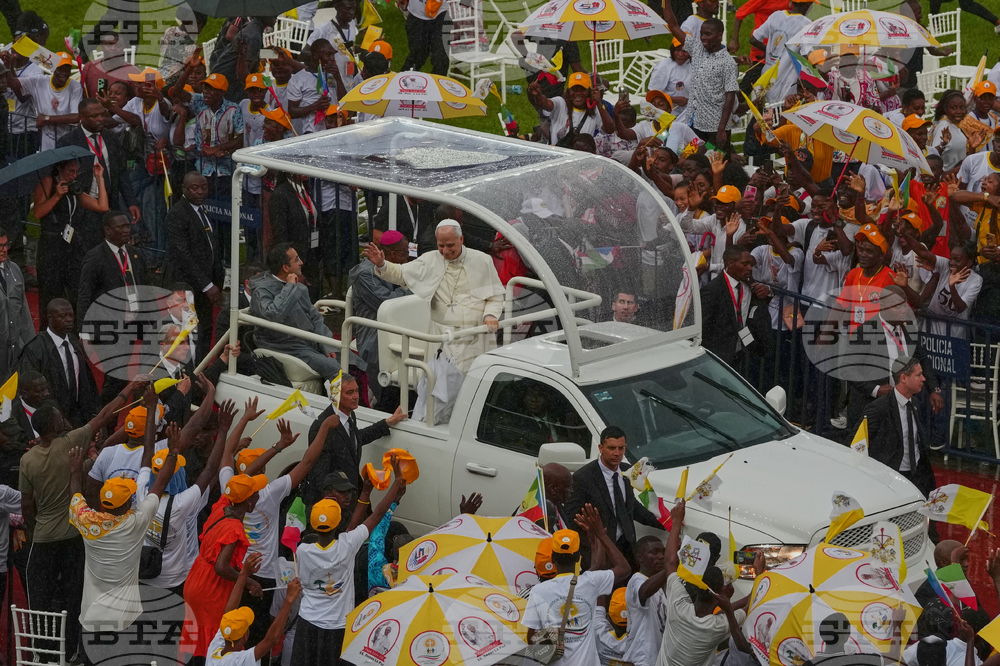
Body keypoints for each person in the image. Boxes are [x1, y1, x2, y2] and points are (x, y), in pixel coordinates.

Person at [20, 376, 147, 662]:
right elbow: (105, 415)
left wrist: (34, 530)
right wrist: (130, 388)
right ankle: (72, 653)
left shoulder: (28, 460)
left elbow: (27, 506)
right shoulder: (73, 441)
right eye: (59, 418)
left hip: (43, 540)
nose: (63, 419)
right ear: (54, 426)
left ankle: (43, 654)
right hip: (74, 539)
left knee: (39, 602)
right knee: (73, 598)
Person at [68, 388, 183, 634]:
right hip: (126, 622)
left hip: (91, 620)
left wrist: (75, 472)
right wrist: (173, 452)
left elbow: (76, 496)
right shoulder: (135, 521)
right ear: (127, 502)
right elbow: (156, 476)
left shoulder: (87, 521)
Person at [292, 462, 406, 662]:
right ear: (338, 523)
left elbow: (352, 529)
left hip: (307, 624)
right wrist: (396, 482)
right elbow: (378, 514)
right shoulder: (347, 545)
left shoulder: (302, 551)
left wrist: (365, 494)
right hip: (336, 629)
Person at [362, 219, 506, 374]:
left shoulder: (482, 260)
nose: (445, 251)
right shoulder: (430, 259)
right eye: (441, 246)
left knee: (472, 385)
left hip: (474, 335)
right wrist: (382, 264)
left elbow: (495, 296)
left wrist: (490, 315)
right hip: (441, 336)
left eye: (450, 245)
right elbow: (401, 273)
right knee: (438, 388)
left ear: (461, 239)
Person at [140, 381, 223, 596]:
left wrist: (151, 410)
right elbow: (210, 471)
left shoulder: (141, 494)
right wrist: (225, 430)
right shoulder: (183, 504)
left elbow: (148, 449)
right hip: (175, 581)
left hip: (143, 573)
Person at [522, 506, 631, 666]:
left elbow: (532, 638)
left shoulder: (538, 592)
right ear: (578, 557)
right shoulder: (590, 582)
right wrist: (600, 535)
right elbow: (624, 568)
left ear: (553, 558)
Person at [658, 500, 755, 666]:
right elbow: (747, 605)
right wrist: (761, 575)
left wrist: (676, 523)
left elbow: (669, 563)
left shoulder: (678, 604)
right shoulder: (718, 627)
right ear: (721, 595)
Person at [182, 471, 266, 663]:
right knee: (217, 640)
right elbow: (221, 567)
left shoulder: (222, 506)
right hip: (211, 588)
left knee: (196, 638)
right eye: (256, 493)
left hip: (196, 580)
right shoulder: (234, 528)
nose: (259, 496)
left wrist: (277, 448)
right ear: (250, 501)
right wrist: (248, 580)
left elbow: (242, 480)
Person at [565, 426, 665, 565]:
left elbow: (631, 507)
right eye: (611, 448)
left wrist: (664, 522)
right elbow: (572, 518)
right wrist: (592, 549)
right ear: (601, 448)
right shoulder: (583, 478)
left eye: (621, 448)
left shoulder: (627, 471)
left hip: (627, 548)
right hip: (600, 553)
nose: (617, 453)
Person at [304, 373, 406, 501]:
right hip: (333, 504)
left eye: (357, 391)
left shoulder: (350, 415)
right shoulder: (322, 426)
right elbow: (319, 475)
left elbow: (355, 439)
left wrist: (387, 423)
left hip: (349, 497)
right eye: (349, 393)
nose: (355, 396)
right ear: (336, 397)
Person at [32, 158, 108, 324]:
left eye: (76, 172)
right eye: (70, 171)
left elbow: (102, 206)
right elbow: (37, 212)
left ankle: (72, 332)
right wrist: (57, 196)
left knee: (74, 291)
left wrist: (99, 178)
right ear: (60, 169)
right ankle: (48, 334)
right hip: (50, 245)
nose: (74, 175)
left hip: (70, 245)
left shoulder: (75, 188)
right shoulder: (48, 182)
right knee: (51, 293)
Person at [250, 243, 341, 379]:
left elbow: (315, 317)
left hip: (307, 341)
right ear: (285, 268)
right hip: (284, 345)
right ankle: (341, 399)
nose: (301, 263)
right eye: (297, 259)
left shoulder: (299, 287)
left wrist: (328, 345)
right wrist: (289, 287)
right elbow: (274, 315)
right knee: (335, 368)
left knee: (350, 359)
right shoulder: (261, 291)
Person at [58, 98, 141, 244]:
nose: (100, 119)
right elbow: (62, 175)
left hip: (109, 202)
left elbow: (121, 172)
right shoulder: (68, 141)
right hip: (82, 204)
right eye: (94, 116)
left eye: (102, 114)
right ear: (82, 118)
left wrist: (131, 202)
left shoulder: (111, 137)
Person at [164, 172, 225, 362]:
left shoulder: (201, 210)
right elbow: (183, 255)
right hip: (187, 285)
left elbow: (210, 247)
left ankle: (201, 369)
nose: (200, 192)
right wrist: (206, 284)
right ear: (183, 189)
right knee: (189, 332)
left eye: (204, 187)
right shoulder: (178, 214)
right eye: (194, 188)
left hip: (205, 284)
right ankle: (190, 372)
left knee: (205, 329)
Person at [661, 7, 738, 148]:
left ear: (719, 35)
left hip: (716, 127)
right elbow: (673, 26)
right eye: (702, 34)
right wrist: (666, 3)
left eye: (708, 34)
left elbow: (730, 98)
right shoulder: (697, 48)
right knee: (695, 160)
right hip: (695, 124)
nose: (703, 37)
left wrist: (721, 129)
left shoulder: (728, 63)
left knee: (717, 161)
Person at [349, 229, 411, 403]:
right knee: (390, 395)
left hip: (400, 327)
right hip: (375, 335)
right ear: (391, 254)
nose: (407, 259)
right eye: (404, 254)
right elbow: (389, 305)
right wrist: (408, 285)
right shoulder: (365, 275)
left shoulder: (396, 267)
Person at [862, 355, 937, 497]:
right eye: (919, 375)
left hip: (916, 477)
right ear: (903, 378)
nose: (924, 379)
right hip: (889, 480)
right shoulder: (878, 409)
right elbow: (857, 444)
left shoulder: (915, 404)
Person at [209, 553, 301, 665]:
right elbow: (272, 640)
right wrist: (289, 600)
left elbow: (228, 613)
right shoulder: (239, 661)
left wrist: (243, 575)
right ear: (245, 635)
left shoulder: (215, 649)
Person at [19, 298, 98, 428]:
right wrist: (56, 416)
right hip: (51, 421)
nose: (68, 319)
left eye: (71, 315)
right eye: (62, 316)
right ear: (50, 318)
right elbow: (30, 391)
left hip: (79, 416)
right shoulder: (35, 349)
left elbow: (87, 383)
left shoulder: (74, 343)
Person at [77, 210, 147, 334]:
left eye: (127, 226)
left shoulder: (136, 254)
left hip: (133, 325)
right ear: (107, 230)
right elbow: (85, 296)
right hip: (107, 327)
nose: (126, 231)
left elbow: (145, 288)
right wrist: (84, 331)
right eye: (120, 227)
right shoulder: (95, 258)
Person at [700, 245, 771, 368]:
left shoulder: (749, 285)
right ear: (730, 264)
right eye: (745, 264)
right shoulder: (712, 290)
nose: (750, 268)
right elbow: (704, 327)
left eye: (750, 264)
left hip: (743, 352)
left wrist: (768, 290)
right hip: (720, 357)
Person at [2, 51, 81, 151]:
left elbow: (75, 117)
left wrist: (46, 118)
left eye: (67, 69)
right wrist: (8, 66)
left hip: (68, 142)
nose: (64, 73)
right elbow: (13, 83)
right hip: (46, 144)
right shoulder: (39, 81)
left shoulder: (75, 86)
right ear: (53, 68)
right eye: (60, 69)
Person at [268, 173, 323, 301]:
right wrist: (293, 269)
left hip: (312, 254)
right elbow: (280, 235)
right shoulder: (280, 194)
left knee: (314, 299)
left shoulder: (305, 189)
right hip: (296, 258)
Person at [527, 72, 615, 147]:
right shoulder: (560, 103)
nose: (578, 93)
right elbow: (544, 103)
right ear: (568, 91)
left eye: (582, 90)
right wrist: (538, 94)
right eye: (574, 89)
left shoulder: (594, 110)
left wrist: (599, 103)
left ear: (589, 91)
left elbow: (610, 130)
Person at [623, 536, 668, 666]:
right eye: (654, 552)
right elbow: (643, 592)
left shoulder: (658, 587)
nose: (661, 557)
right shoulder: (637, 579)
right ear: (640, 558)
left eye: (663, 552)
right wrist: (670, 566)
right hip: (640, 660)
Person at [0, 226, 33, 381]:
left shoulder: (14, 270)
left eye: (6, 245)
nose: (4, 250)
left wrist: (31, 345)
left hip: (15, 353)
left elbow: (24, 312)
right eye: (0, 246)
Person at [398, 0, 448, 76]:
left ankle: (436, 85)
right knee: (417, 55)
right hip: (417, 15)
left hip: (442, 14)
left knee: (440, 59)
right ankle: (400, 83)